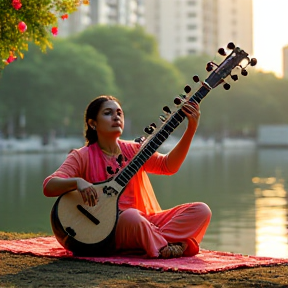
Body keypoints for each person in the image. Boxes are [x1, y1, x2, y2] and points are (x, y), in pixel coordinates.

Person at [43, 95, 211, 258]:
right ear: (93, 123)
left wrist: (191, 130)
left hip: (144, 222)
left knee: (201, 210)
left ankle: (150, 241)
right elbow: (49, 186)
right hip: (109, 228)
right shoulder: (82, 156)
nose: (116, 116)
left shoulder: (134, 150)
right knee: (131, 216)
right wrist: (77, 182)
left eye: (119, 113)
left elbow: (168, 166)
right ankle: (162, 246)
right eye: (108, 113)